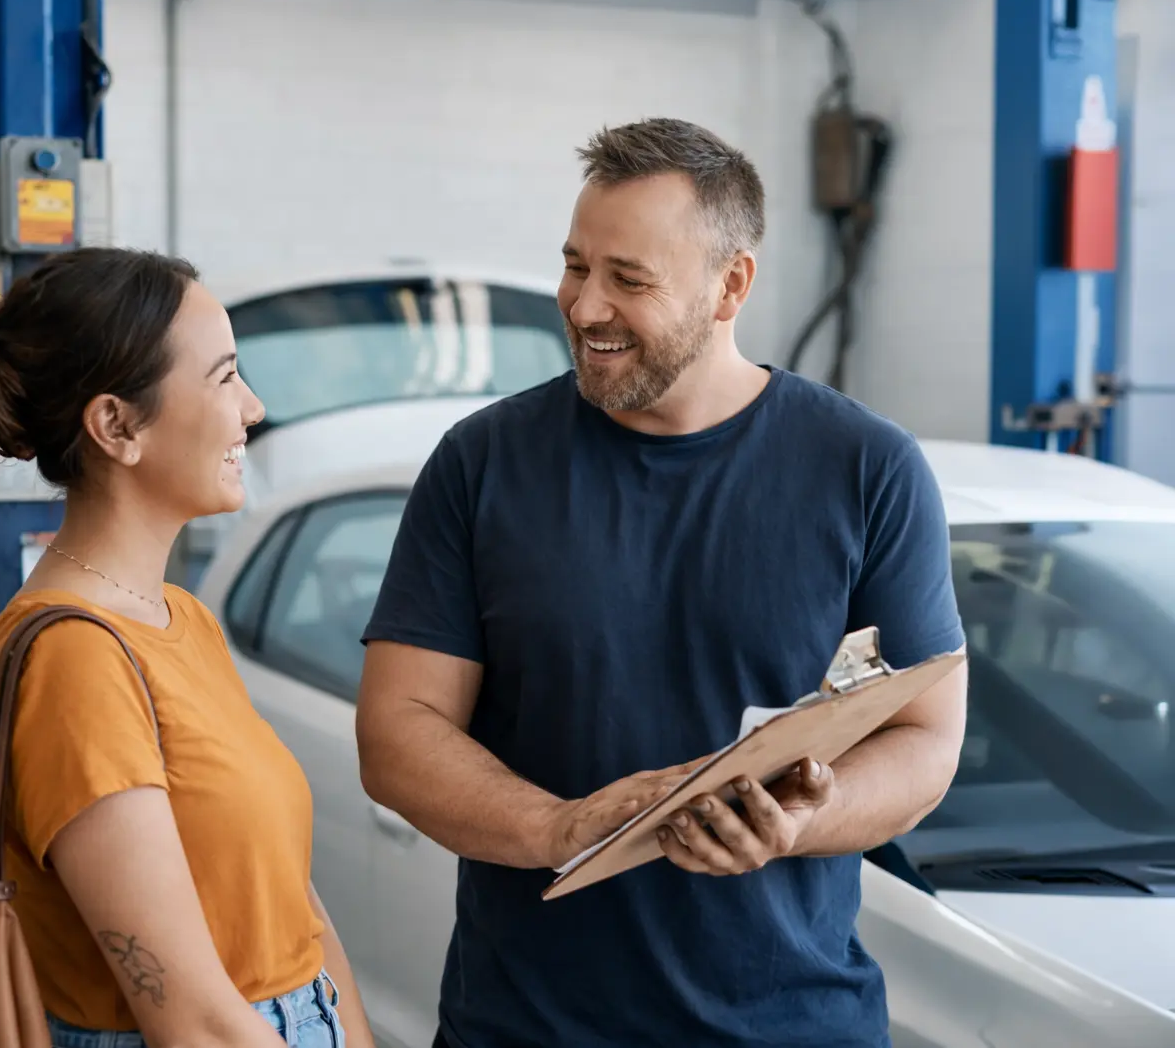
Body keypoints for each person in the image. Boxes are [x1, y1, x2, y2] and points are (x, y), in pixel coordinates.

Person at [354, 118, 970, 1048]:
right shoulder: (483, 464)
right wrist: (565, 829)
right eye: (575, 266)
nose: (585, 305)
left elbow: (925, 737)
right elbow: (397, 733)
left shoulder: (866, 469)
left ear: (732, 285)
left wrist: (800, 821)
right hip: (524, 1028)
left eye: (629, 280)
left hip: (791, 1024)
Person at [0, 246, 377, 1048]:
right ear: (116, 425)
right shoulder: (77, 660)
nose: (253, 406)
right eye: (223, 377)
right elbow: (191, 1021)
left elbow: (291, 903)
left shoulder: (180, 617)